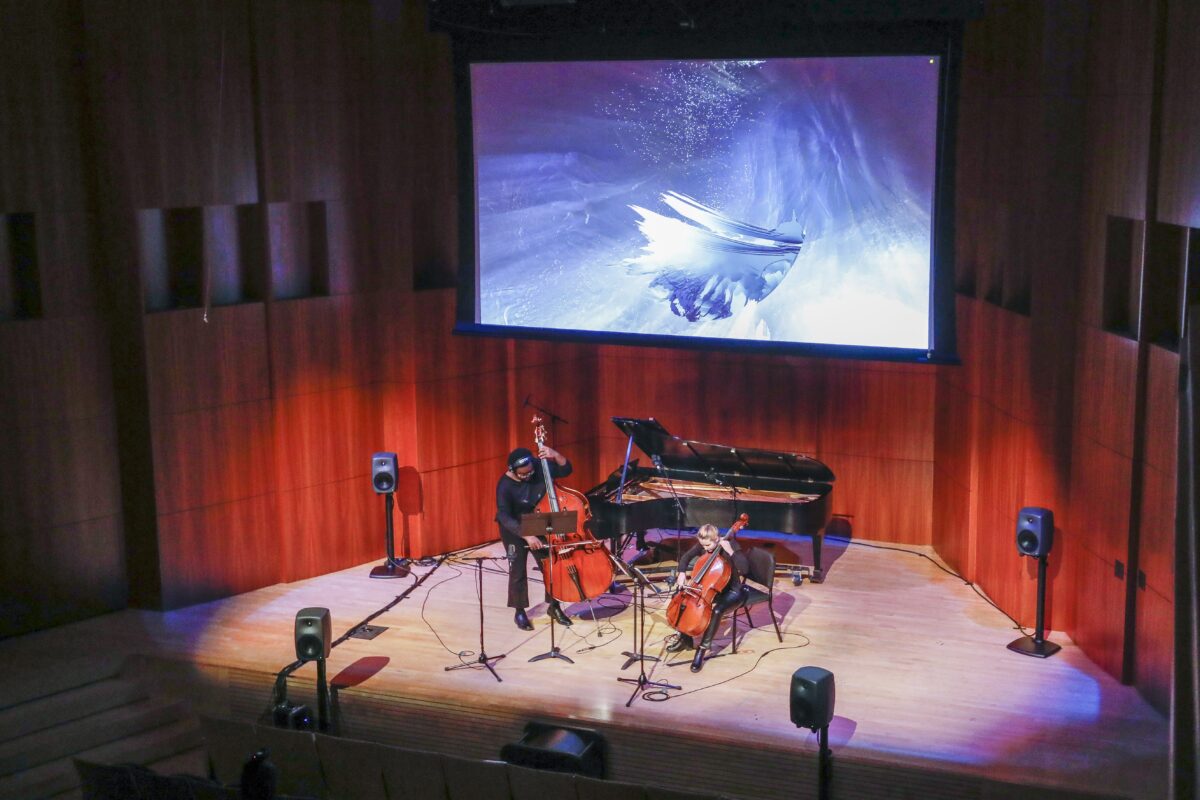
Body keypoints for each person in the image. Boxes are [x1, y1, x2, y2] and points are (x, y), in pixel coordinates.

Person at [495, 444, 576, 631]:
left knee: (551, 566)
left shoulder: (539, 467)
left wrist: (555, 454)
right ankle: (519, 611)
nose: (528, 476)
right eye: (523, 474)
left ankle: (554, 606)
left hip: (538, 520)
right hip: (514, 527)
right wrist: (527, 535)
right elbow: (504, 516)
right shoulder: (505, 485)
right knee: (517, 569)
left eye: (530, 472)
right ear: (512, 470)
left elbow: (566, 469)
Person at [665, 523, 749, 672]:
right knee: (682, 598)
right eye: (702, 545)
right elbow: (685, 557)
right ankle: (685, 639)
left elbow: (745, 568)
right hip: (709, 589)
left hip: (732, 591)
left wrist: (730, 551)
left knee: (717, 611)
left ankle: (702, 649)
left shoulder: (731, 544)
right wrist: (682, 573)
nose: (705, 548)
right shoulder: (704, 545)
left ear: (716, 539)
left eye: (708, 545)